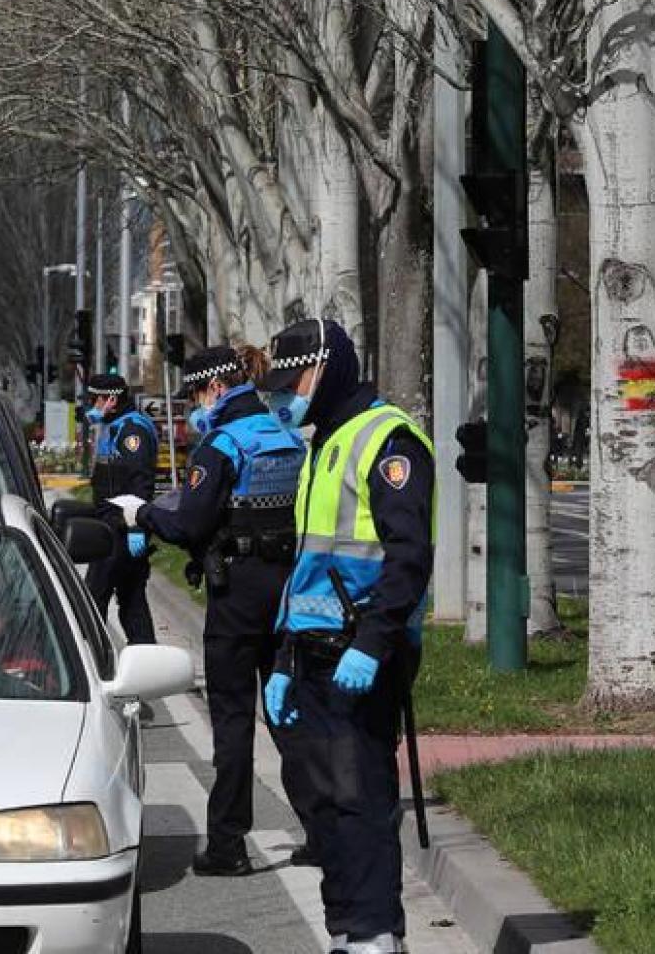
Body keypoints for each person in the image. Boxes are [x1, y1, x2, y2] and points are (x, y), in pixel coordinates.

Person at [258, 319, 434, 954]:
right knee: (324, 807)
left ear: (328, 370)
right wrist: (282, 657)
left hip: (359, 653)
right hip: (313, 652)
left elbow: (409, 557)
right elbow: (310, 565)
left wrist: (373, 643)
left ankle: (374, 936)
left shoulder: (386, 440)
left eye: (294, 381)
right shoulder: (325, 444)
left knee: (359, 802)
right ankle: (346, 931)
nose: (286, 397)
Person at [111, 345, 318, 877]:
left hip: (237, 597)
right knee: (288, 716)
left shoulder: (221, 445)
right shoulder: (287, 437)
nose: (195, 407)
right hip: (287, 590)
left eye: (196, 395)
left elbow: (191, 526)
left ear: (216, 389)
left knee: (231, 722)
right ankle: (322, 832)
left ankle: (228, 844)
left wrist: (144, 516)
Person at [82, 372, 157, 645]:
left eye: (96, 399)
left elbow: (140, 484)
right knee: (132, 599)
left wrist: (135, 527)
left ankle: (92, 656)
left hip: (120, 529)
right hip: (111, 524)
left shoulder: (132, 431)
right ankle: (147, 658)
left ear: (112, 399)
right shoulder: (114, 426)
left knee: (94, 597)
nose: (92, 404)